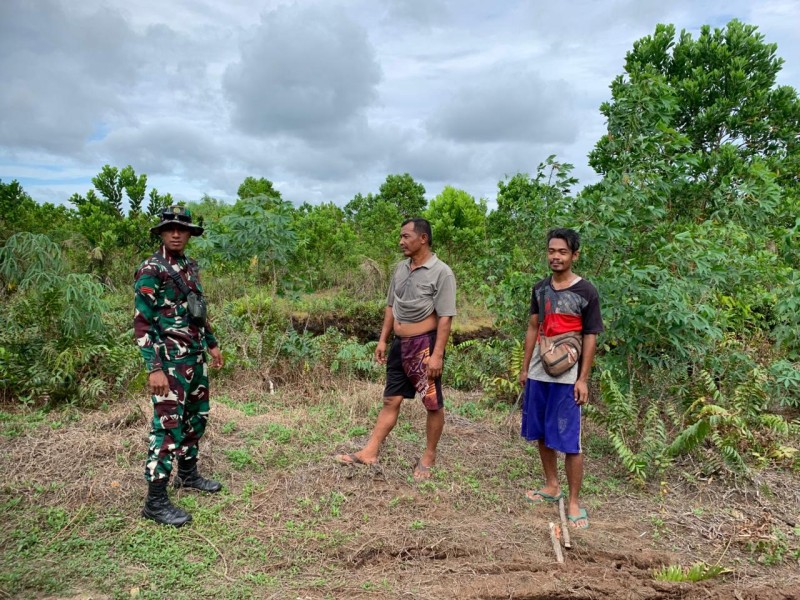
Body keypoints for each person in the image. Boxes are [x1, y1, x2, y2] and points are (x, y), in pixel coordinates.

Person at [336, 218, 456, 480]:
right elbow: (391, 306)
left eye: (406, 236)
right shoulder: (401, 269)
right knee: (391, 398)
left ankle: (429, 455)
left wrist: (437, 355)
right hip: (399, 345)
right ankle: (370, 451)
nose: (401, 241)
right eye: (400, 237)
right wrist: (383, 340)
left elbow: (445, 317)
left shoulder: (441, 272)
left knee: (432, 403)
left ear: (423, 238)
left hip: (424, 346)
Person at [134, 206, 224, 527]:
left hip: (194, 357)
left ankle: (187, 475)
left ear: (189, 234)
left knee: (195, 419)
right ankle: (155, 502)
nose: (176, 233)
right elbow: (142, 324)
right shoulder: (151, 269)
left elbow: (197, 310)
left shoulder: (188, 266)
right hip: (168, 363)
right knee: (167, 426)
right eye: (170, 228)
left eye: (182, 229)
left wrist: (211, 343)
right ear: (161, 232)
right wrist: (153, 368)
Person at [517, 228, 603, 529]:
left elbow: (590, 336)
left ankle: (575, 501)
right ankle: (552, 486)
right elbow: (532, 327)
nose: (556, 256)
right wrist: (525, 367)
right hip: (541, 373)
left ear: (574, 255)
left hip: (568, 379)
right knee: (541, 432)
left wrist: (583, 378)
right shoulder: (540, 289)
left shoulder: (586, 292)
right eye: (552, 251)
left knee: (569, 441)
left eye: (562, 252)